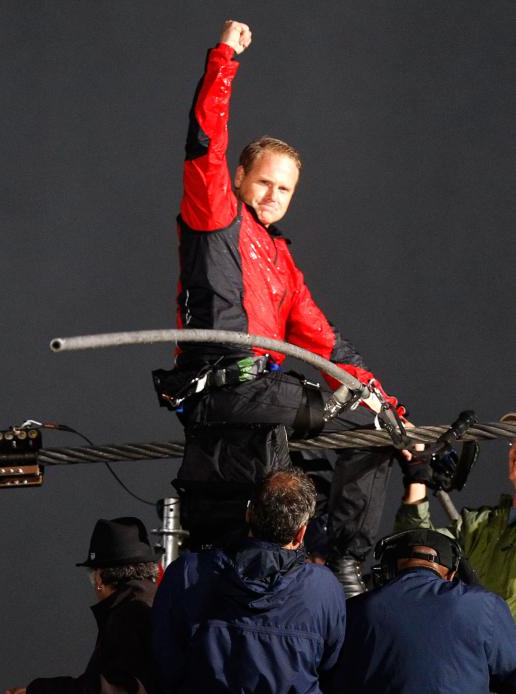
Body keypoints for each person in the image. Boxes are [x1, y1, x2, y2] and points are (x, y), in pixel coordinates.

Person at [153, 18, 408, 594]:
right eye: (264, 182)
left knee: (371, 438)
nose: (273, 196)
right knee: (319, 405)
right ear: (240, 177)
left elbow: (325, 342)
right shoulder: (214, 214)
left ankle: (346, 563)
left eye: (285, 189)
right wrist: (224, 59)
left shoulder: (282, 262)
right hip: (220, 390)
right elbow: (204, 140)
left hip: (264, 400)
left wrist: (388, 405)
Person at [151, 469, 346, 693]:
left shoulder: (187, 573)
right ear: (301, 533)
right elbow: (330, 665)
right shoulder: (324, 589)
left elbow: (164, 659)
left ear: (248, 513)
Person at [329, 528, 516, 693]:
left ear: (389, 567)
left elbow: (335, 681)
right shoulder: (485, 605)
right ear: (451, 573)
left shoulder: (356, 610)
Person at [5, 517, 158, 694]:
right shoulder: (155, 601)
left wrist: (40, 690)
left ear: (99, 578)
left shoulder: (128, 616)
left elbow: (113, 689)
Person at [394, 411, 516, 619]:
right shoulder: (480, 524)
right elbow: (418, 551)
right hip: (469, 647)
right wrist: (417, 472)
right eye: (514, 440)